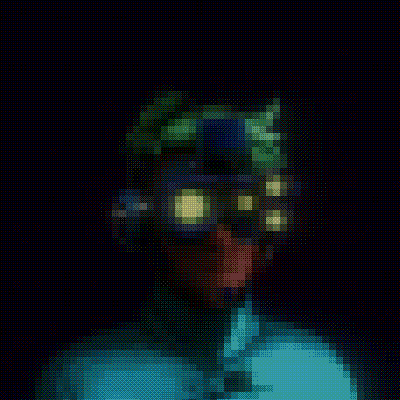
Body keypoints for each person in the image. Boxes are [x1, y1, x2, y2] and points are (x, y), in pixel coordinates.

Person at [36, 91, 360, 399]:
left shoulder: (319, 377)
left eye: (244, 205)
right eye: (190, 206)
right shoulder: (82, 383)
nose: (220, 238)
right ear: (145, 222)